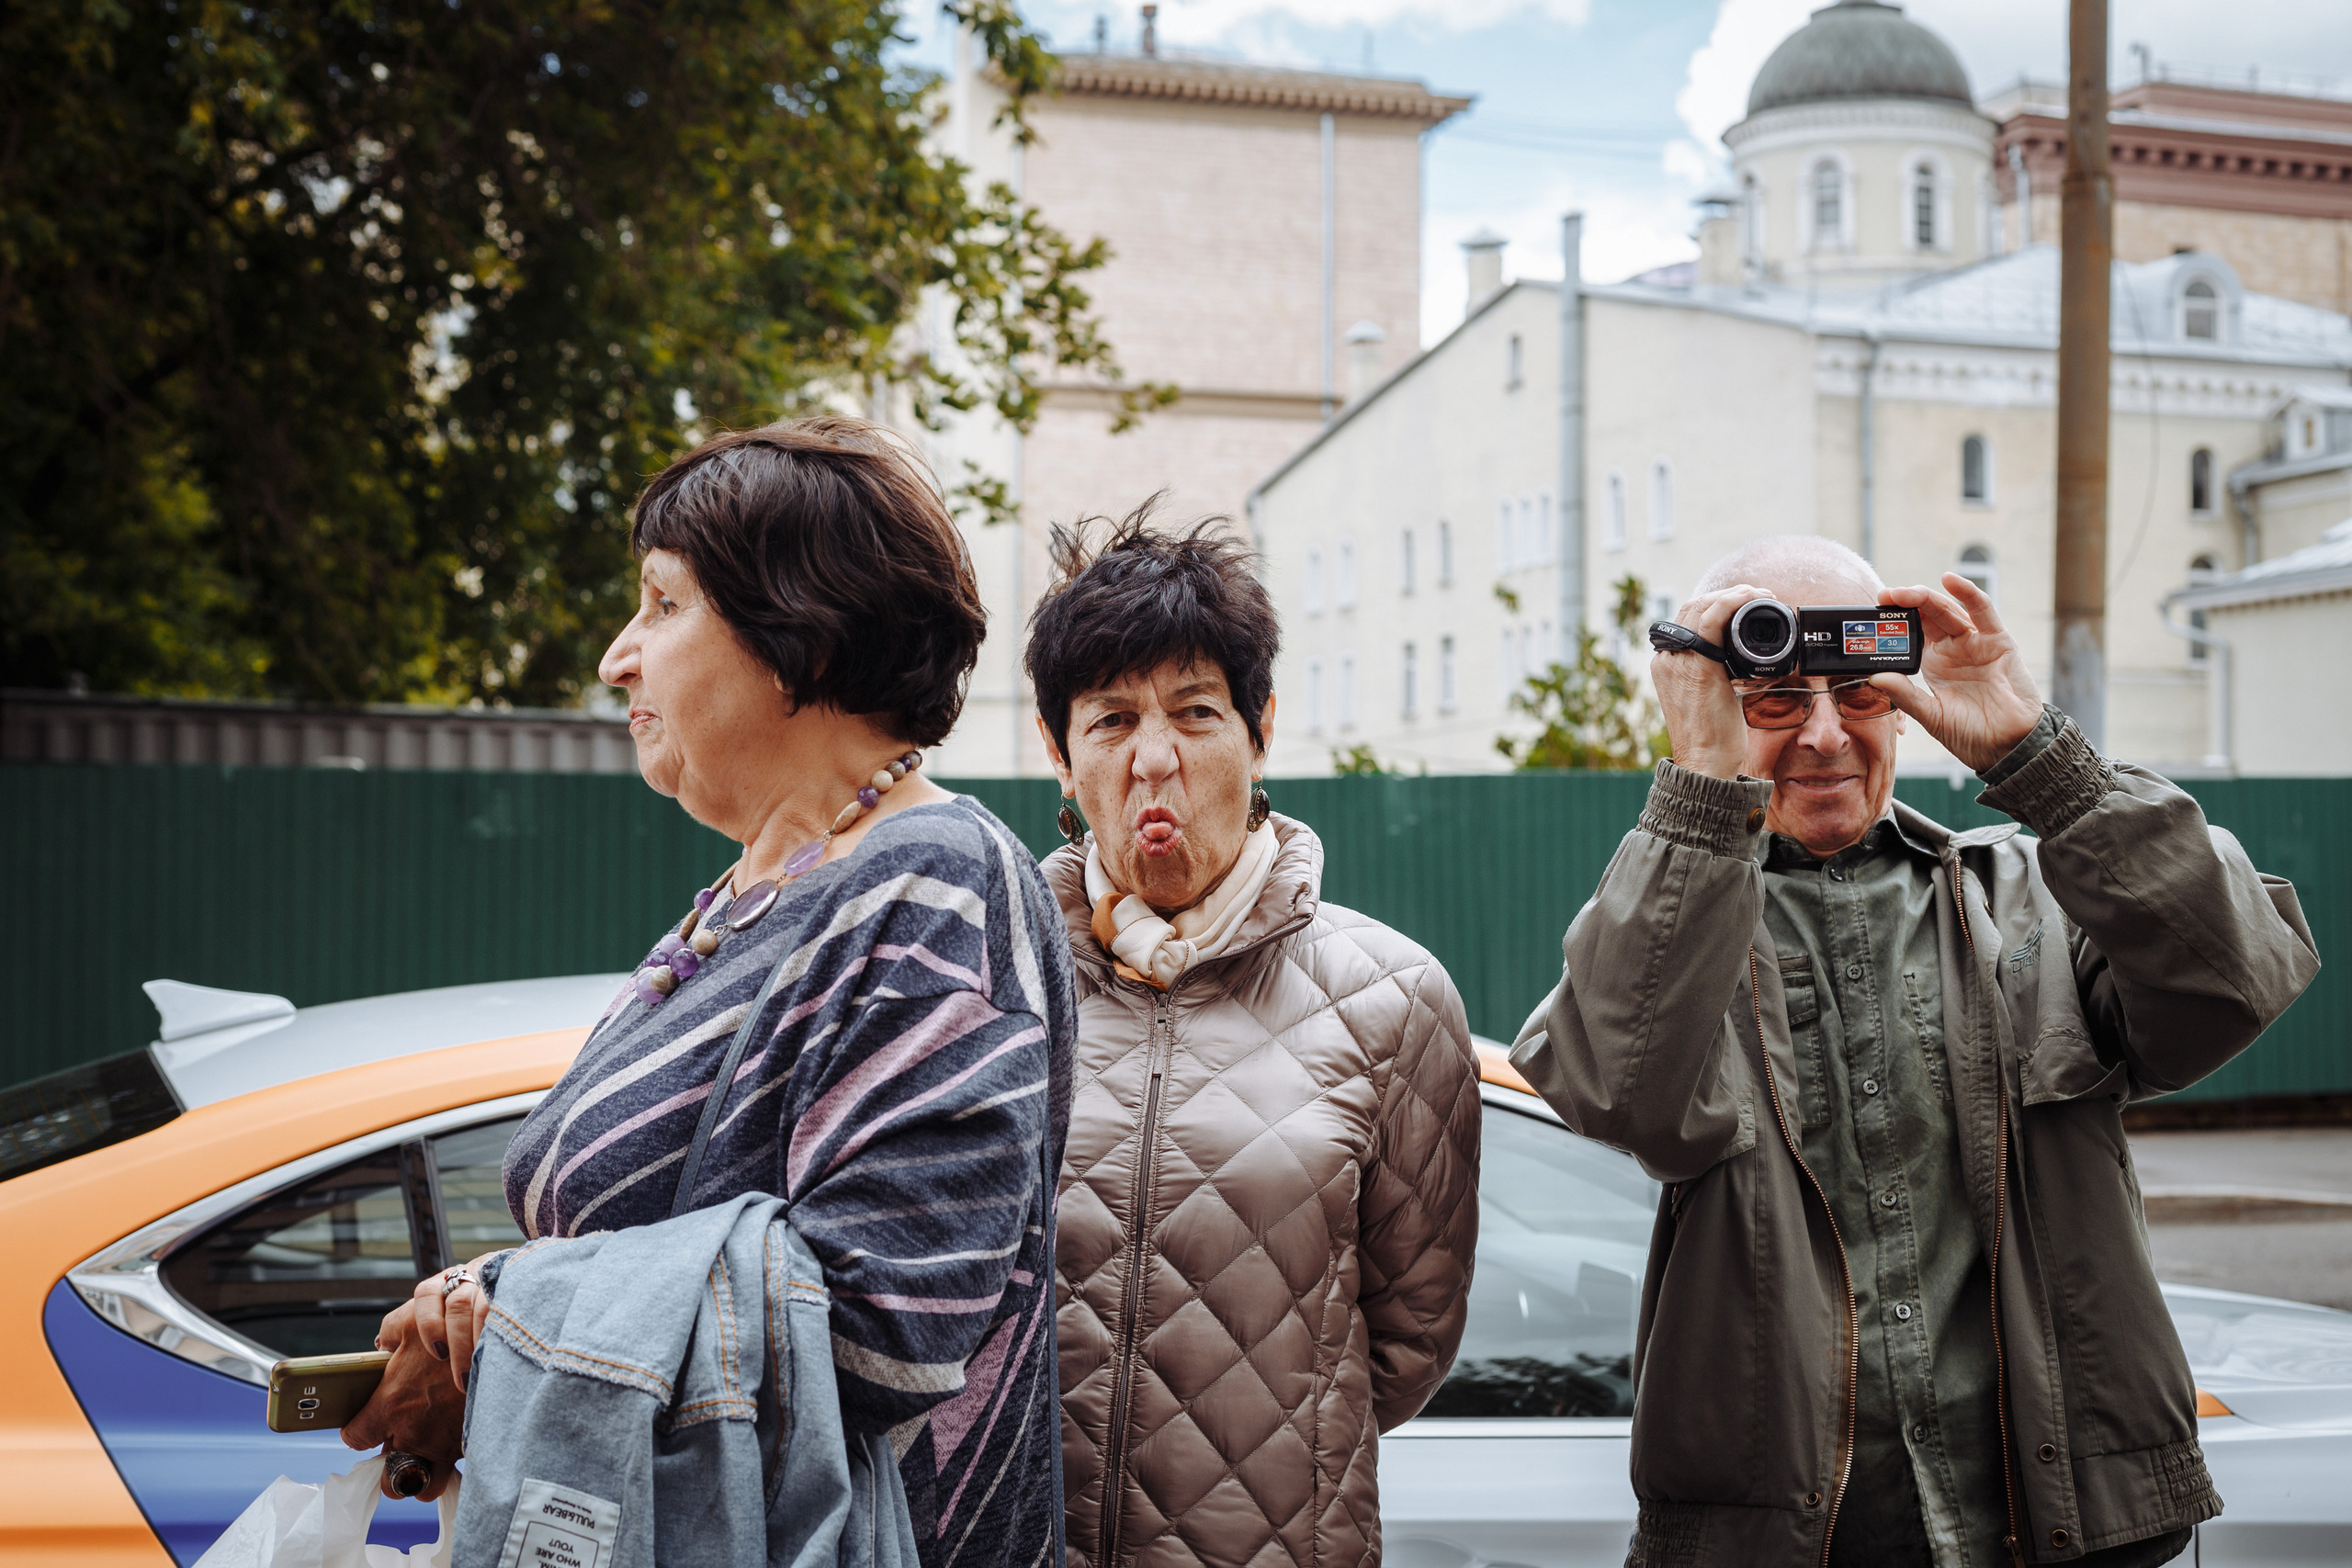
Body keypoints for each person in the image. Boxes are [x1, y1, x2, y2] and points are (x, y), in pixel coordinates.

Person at [344, 417, 1079, 1568]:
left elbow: (886, 1328)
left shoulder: (933, 882)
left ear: (802, 636)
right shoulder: (757, 891)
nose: (618, 658)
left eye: (662, 604)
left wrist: (504, 1320)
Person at [1510, 536, 2320, 1568]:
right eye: (1775, 699)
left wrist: (2039, 756)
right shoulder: (1672, 926)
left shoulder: (2036, 898)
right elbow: (1621, 1090)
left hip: (2064, 1536)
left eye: (1859, 693)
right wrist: (1701, 786)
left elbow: (2234, 977)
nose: (1823, 735)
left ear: (1901, 702)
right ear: (1715, 706)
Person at [1024, 511, 1482, 1568]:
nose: (1154, 760)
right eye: (1110, 721)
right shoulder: (997, 982)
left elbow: (1409, 1338)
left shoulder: (1393, 998)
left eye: (1195, 713)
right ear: (1058, 753)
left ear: (1259, 727)